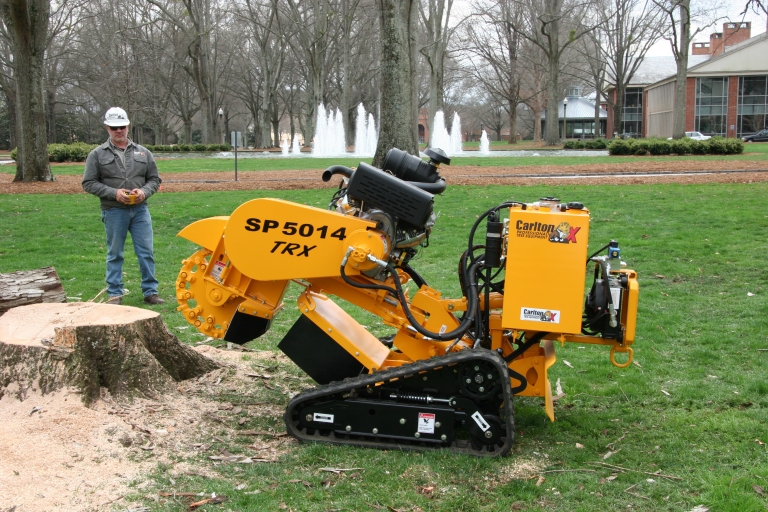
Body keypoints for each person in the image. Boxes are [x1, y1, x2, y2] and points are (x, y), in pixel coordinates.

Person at [82, 107, 164, 305]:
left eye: (121, 127)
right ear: (107, 129)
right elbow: (88, 183)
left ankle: (150, 292)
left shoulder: (143, 153)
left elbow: (154, 179)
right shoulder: (97, 155)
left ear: (128, 126)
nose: (118, 131)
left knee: (146, 252)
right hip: (113, 211)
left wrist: (144, 192)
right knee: (115, 253)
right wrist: (114, 193)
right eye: (113, 127)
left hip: (140, 210)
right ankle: (115, 293)